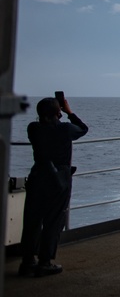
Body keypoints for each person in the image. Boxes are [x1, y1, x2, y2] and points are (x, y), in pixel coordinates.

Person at [19, 95, 89, 277]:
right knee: (53, 221)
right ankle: (45, 262)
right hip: (58, 180)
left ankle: (27, 262)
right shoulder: (65, 129)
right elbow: (83, 129)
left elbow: (45, 128)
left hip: (37, 177)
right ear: (59, 112)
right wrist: (69, 112)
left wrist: (57, 113)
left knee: (32, 221)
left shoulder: (33, 128)